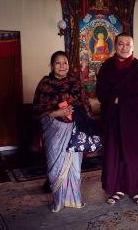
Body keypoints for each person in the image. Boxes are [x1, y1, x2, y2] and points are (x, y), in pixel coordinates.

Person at [96, 32, 138, 205]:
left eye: (128, 44)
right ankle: (117, 189)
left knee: (133, 154)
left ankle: (134, 189)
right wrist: (113, 100)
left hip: (135, 121)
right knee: (115, 154)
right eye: (121, 44)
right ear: (115, 46)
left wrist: (120, 100)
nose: (124, 47)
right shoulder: (107, 67)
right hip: (114, 119)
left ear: (133, 46)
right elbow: (101, 91)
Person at [33, 51, 94, 212]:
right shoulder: (45, 84)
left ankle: (75, 199)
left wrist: (76, 114)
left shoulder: (76, 83)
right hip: (54, 132)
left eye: (65, 63)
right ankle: (58, 201)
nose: (62, 66)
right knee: (56, 166)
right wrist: (55, 113)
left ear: (68, 65)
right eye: (58, 63)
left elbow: (86, 107)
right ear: (52, 65)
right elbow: (38, 109)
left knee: (74, 166)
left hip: (74, 131)